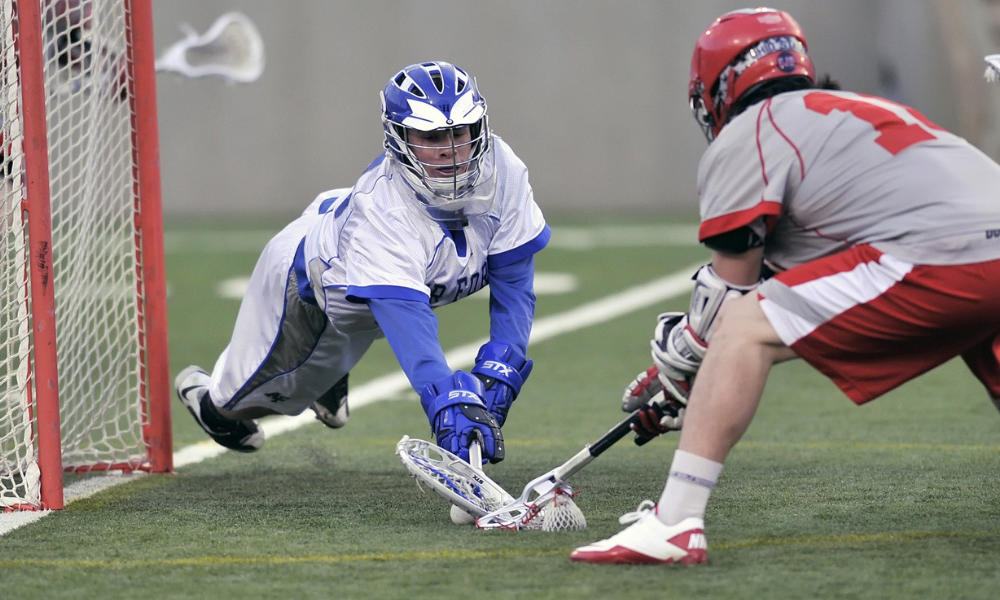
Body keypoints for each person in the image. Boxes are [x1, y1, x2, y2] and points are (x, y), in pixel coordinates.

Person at [570, 7, 1000, 565]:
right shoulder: (859, 111)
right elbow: (813, 269)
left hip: (942, 253)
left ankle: (674, 523)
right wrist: (687, 382)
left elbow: (731, 301)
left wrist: (681, 372)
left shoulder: (753, 130)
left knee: (744, 329)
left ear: (721, 85)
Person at [175, 61, 549, 466]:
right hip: (310, 285)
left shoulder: (504, 168)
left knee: (350, 336)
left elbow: (514, 281)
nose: (451, 149)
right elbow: (410, 327)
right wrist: (446, 400)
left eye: (460, 132)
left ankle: (329, 374)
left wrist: (502, 367)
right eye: (431, 136)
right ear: (398, 137)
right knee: (241, 405)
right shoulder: (383, 214)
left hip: (363, 268)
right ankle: (207, 400)